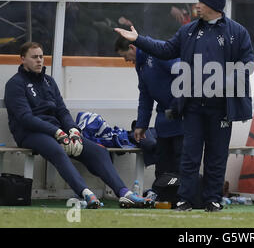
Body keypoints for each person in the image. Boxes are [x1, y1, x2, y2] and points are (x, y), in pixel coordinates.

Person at [114, 0, 254, 212]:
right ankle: (185, 200)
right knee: (190, 156)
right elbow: (165, 49)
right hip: (192, 106)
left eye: (200, 1)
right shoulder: (188, 30)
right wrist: (139, 39)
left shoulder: (237, 32)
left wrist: (224, 82)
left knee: (216, 157)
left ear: (212, 6)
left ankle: (212, 199)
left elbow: (247, 64)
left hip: (222, 107)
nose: (196, 5)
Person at [4, 42, 154, 209]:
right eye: (34, 57)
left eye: (41, 56)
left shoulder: (49, 81)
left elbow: (62, 111)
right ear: (23, 59)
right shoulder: (15, 84)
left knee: (98, 151)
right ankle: (86, 194)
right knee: (57, 150)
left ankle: (125, 193)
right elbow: (25, 118)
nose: (39, 61)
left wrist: (73, 131)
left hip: (57, 132)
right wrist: (58, 133)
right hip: (29, 133)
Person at [115, 36, 183, 178]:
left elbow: (185, 76)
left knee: (181, 162)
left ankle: (184, 198)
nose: (126, 60)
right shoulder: (140, 64)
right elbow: (145, 94)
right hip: (164, 119)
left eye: (125, 56)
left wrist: (177, 107)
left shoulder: (161, 51)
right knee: (162, 164)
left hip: (183, 117)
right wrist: (141, 125)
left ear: (132, 48)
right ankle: (164, 197)